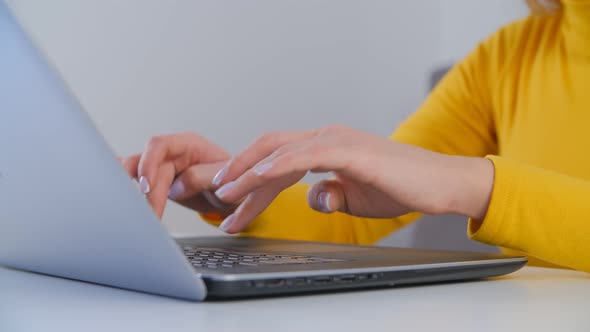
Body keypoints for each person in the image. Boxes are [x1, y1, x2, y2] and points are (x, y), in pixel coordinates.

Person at [122, 0, 590, 273]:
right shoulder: (508, 57)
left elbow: (448, 180)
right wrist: (233, 188)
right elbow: (350, 218)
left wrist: (474, 185)